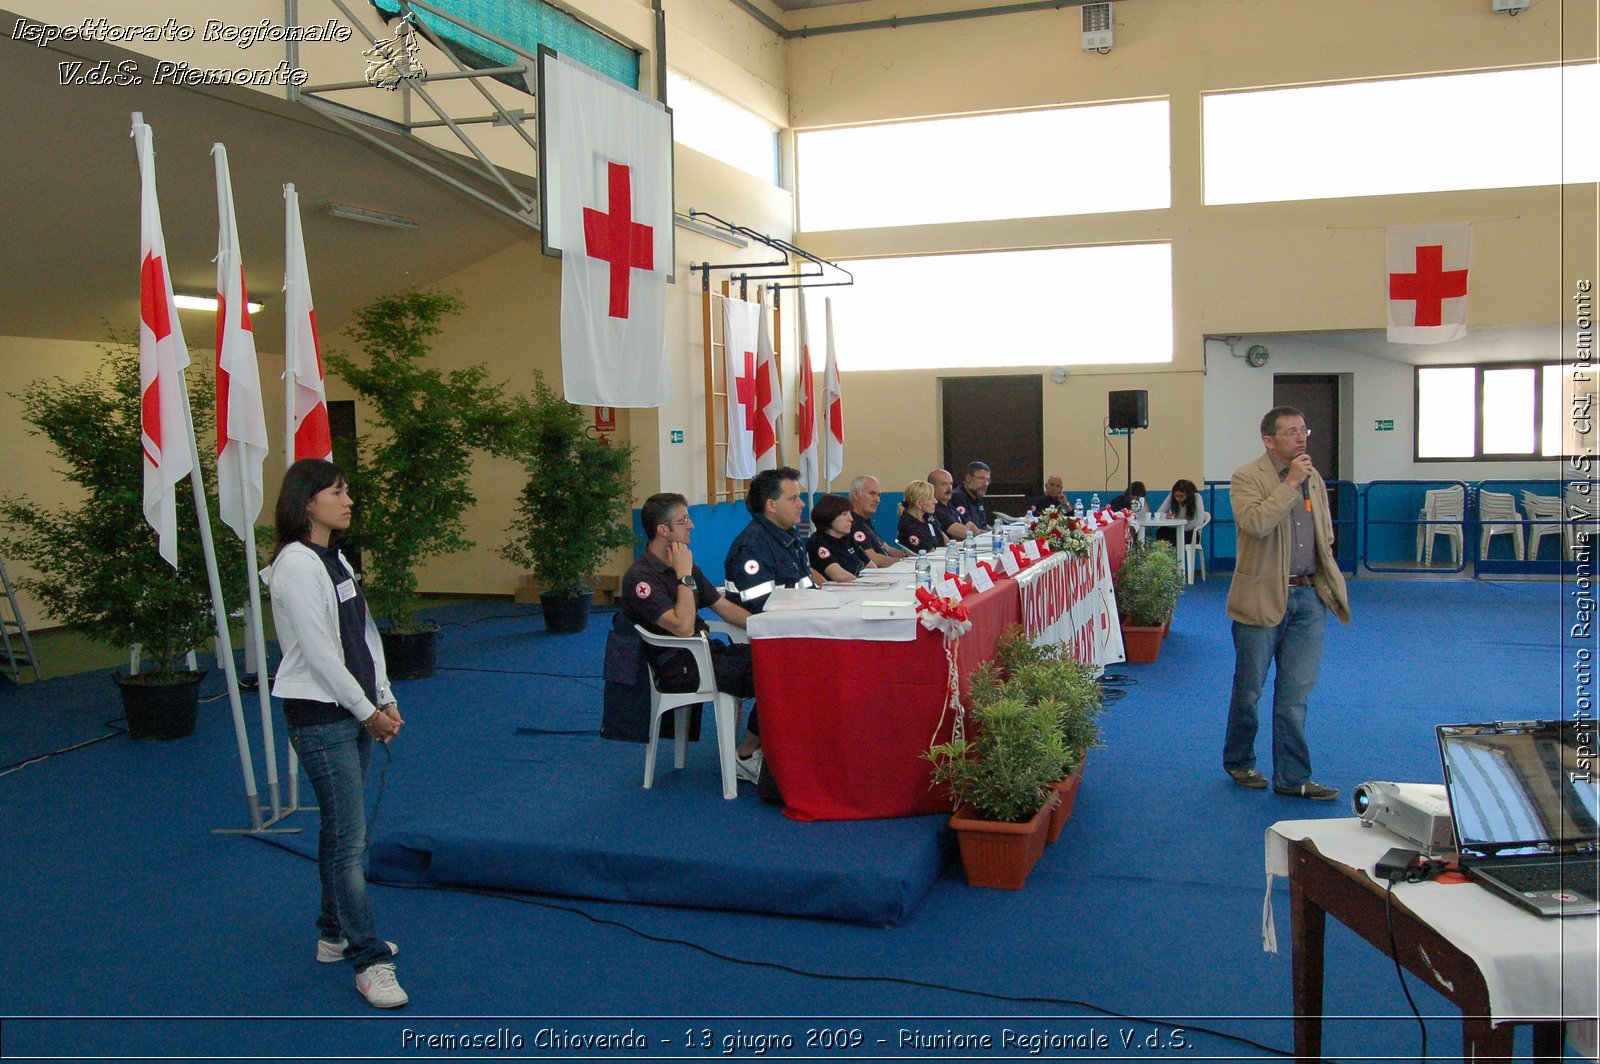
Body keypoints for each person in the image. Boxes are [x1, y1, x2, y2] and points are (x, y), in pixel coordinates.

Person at [261, 458, 407, 1010]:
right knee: (350, 842)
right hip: (320, 718)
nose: (348, 501)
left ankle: (332, 933)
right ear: (306, 504)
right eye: (337, 492)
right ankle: (369, 959)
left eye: (347, 492)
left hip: (352, 710)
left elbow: (362, 634)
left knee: (342, 831)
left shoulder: (334, 558)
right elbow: (321, 654)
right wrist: (367, 709)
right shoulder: (297, 565)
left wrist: (383, 695)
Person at [1223, 407, 1350, 801]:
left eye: (1303, 429)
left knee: (1295, 695)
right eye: (1291, 432)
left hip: (1309, 598)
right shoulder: (1247, 477)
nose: (1301, 438)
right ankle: (1239, 760)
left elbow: (1323, 533)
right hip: (1260, 598)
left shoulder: (1313, 480)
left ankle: (1293, 777)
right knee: (1249, 692)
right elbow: (1256, 524)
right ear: (1269, 440)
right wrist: (1290, 483)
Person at [621, 493, 762, 780]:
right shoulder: (641, 577)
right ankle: (747, 755)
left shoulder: (683, 561)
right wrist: (683, 575)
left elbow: (722, 607)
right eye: (683, 520)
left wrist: (769, 628)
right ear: (663, 530)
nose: (692, 526)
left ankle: (763, 748)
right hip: (678, 666)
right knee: (774, 674)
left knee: (780, 659)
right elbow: (683, 627)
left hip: (706, 653)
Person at [724, 466, 824, 613]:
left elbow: (807, 589)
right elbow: (762, 606)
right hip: (774, 628)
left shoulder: (790, 538)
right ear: (771, 505)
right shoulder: (753, 546)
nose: (801, 504)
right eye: (793, 498)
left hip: (800, 619)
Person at [807, 493, 872, 582]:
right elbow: (839, 576)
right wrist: (867, 585)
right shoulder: (818, 543)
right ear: (829, 516)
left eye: (850, 513)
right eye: (844, 514)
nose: (851, 519)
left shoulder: (848, 538)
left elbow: (870, 565)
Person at [847, 474, 907, 564]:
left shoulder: (865, 522)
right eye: (872, 494)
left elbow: (887, 548)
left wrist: (910, 558)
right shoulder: (852, 523)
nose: (877, 500)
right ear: (855, 495)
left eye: (878, 495)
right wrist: (902, 563)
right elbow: (871, 557)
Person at [1153, 478, 1207, 548]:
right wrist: (1166, 516)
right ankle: (1163, 556)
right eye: (1176, 496)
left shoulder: (1196, 497)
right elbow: (1159, 513)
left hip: (1190, 532)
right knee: (1161, 531)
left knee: (1172, 538)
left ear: (1188, 494)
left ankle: (1175, 557)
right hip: (1176, 529)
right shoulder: (1171, 497)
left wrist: (1181, 526)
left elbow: (1199, 522)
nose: (1177, 498)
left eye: (1181, 496)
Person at [897, 480, 947, 553]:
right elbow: (930, 554)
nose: (935, 501)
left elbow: (946, 542)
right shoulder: (908, 526)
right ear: (919, 503)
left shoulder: (929, 517)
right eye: (930, 498)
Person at [928, 469, 975, 541]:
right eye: (944, 484)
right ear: (932, 487)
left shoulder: (949, 505)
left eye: (950, 484)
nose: (949, 488)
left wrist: (965, 530)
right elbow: (965, 533)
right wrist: (965, 530)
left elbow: (973, 527)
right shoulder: (934, 508)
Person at [948, 461, 992, 530]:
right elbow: (969, 529)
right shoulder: (957, 497)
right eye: (982, 478)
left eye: (988, 480)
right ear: (968, 477)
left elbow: (983, 525)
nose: (986, 484)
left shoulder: (978, 495)